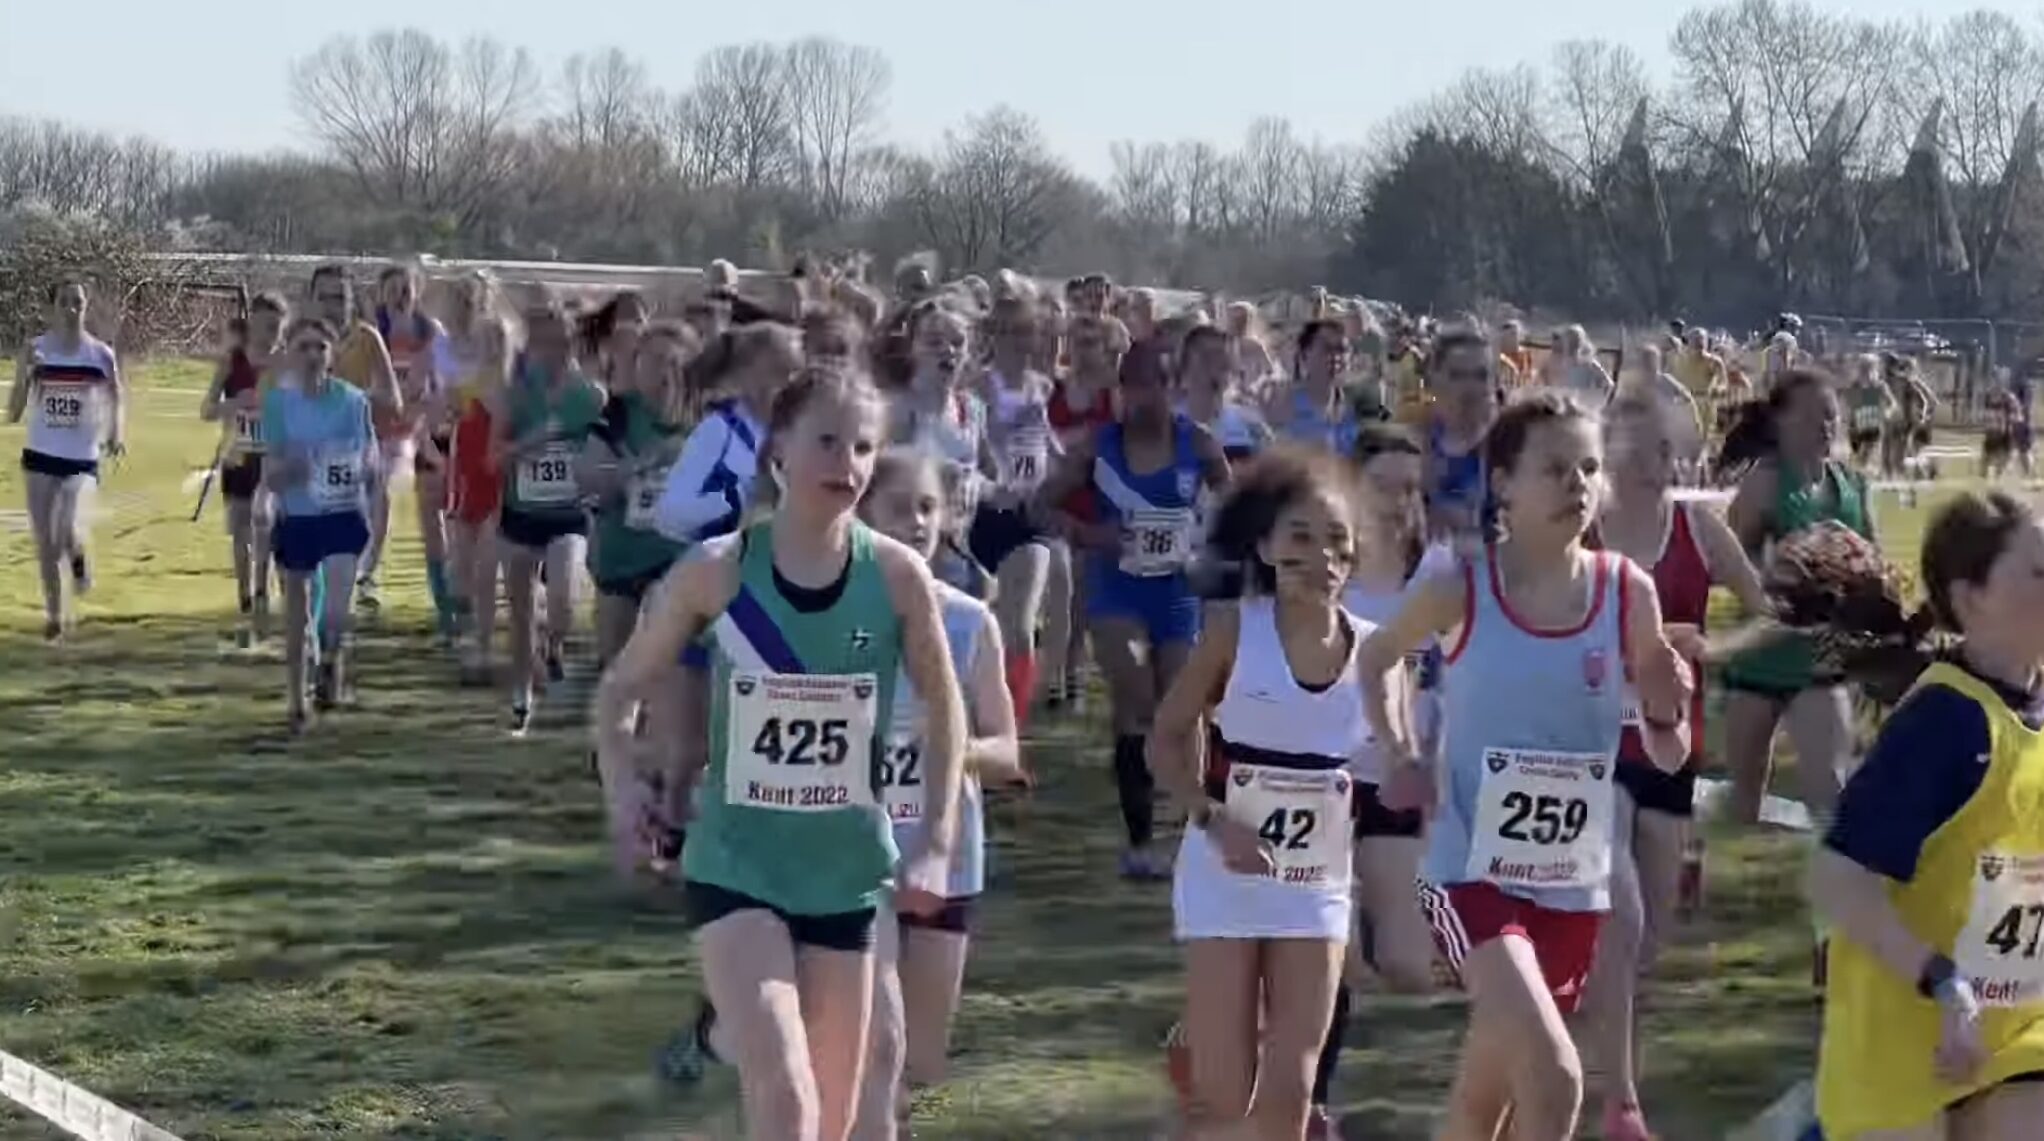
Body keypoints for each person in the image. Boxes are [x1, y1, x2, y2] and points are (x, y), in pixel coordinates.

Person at [594, 367, 966, 1141]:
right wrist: (622, 788)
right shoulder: (718, 570)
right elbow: (620, 689)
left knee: (839, 1113)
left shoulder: (898, 577)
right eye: (827, 440)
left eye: (863, 445)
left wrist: (934, 842)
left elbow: (946, 708)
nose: (848, 462)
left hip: (847, 873)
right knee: (786, 1093)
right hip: (738, 866)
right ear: (778, 455)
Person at [1357, 392, 1693, 1140]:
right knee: (1555, 1076)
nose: (1578, 484)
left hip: (1573, 883)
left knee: (1488, 1106)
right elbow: (1378, 657)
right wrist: (1401, 749)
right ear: (1503, 482)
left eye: (1589, 468)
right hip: (1469, 872)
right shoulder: (1461, 585)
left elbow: (1667, 747)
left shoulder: (1625, 591)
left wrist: (1670, 701)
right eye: (1555, 469)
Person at [1150, 447, 1382, 1140]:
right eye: (1301, 537)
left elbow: (1390, 763)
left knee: (1290, 1092)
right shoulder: (1233, 631)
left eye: (1338, 540)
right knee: (1226, 1096)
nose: (1322, 556)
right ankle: (1203, 1056)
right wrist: (1211, 816)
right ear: (1265, 545)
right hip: (1223, 869)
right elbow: (1161, 739)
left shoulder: (1374, 651)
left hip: (1316, 882)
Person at [1811, 491, 2044, 1140]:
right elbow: (1835, 876)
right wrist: (1941, 980)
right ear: (1972, 599)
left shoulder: (2032, 708)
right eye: (2039, 571)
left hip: (2009, 1036)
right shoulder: (1944, 720)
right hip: (1902, 1060)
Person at [1583, 393, 1770, 1141]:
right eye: (1637, 449)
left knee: (1649, 938)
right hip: (1594, 752)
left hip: (1670, 749)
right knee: (1621, 915)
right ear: (1612, 454)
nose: (1654, 464)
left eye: (1665, 450)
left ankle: (1608, 1065)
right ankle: (1620, 1102)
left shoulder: (1697, 527)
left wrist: (1711, 650)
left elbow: (1767, 609)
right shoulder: (1583, 528)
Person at [852, 449, 1026, 1137]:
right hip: (854, 856)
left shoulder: (969, 621)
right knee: (878, 1045)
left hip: (945, 854)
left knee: (920, 1061)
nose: (918, 521)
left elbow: (1008, 749)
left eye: (928, 507)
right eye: (900, 507)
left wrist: (950, 751)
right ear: (863, 513)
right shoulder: (836, 614)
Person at [1037, 342, 1230, 880]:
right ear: (1120, 390)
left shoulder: (1199, 444)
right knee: (1137, 699)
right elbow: (1041, 504)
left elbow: (1239, 509)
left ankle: (1193, 830)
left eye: (1155, 385)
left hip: (1177, 593)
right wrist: (1089, 533)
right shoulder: (1099, 448)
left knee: (1182, 708)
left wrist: (1214, 540)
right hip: (1117, 591)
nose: (1144, 397)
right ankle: (1141, 839)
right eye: (1133, 386)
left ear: (1174, 387)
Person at [1719, 369, 1870, 828]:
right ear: (1781, 422)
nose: (1825, 427)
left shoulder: (1851, 486)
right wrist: (1778, 573)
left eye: (1831, 417)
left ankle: (1842, 889)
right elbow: (1728, 558)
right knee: (1742, 802)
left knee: (1828, 789)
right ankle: (1721, 889)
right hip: (1758, 657)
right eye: (1811, 418)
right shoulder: (1764, 483)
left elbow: (1874, 563)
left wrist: (1852, 569)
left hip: (1821, 662)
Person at [490, 297, 604, 736]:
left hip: (569, 515)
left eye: (564, 343)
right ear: (531, 348)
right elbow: (493, 459)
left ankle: (554, 644)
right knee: (520, 615)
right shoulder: (516, 395)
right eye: (545, 344)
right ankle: (521, 701)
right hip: (520, 513)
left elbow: (605, 451)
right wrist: (530, 442)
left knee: (562, 602)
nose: (555, 352)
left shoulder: (590, 396)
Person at [261, 317, 379, 732]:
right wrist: (293, 468)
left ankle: (329, 657)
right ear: (290, 354)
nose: (312, 355)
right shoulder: (277, 403)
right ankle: (296, 702)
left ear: (333, 355)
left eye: (320, 347)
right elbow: (271, 472)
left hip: (343, 515)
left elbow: (371, 463)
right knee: (296, 616)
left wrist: (359, 467)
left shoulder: (353, 402)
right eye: (304, 347)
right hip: (297, 518)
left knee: (334, 612)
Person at [8, 279, 125, 642]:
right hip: (41, 455)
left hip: (80, 459)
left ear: (85, 308)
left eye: (78, 303)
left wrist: (116, 435)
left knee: (63, 530)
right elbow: (14, 411)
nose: (72, 309)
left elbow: (116, 398)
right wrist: (26, 375)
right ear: (52, 308)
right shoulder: (36, 350)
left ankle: (77, 557)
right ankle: (55, 616)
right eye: (64, 303)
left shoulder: (100, 355)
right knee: (45, 541)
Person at [579, 322, 696, 667]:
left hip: (683, 561)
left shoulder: (709, 417)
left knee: (676, 672)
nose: (659, 370)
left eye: (670, 361)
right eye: (649, 359)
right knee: (615, 670)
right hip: (622, 557)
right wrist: (630, 471)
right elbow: (586, 478)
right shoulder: (616, 413)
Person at [969, 296, 1062, 721]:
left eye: (1024, 330)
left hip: (1029, 516)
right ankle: (972, 713)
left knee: (1020, 623)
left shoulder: (1043, 385)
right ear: (992, 336)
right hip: (982, 514)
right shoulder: (977, 384)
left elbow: (1047, 444)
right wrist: (1008, 426)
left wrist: (1068, 465)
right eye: (1006, 331)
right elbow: (975, 443)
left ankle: (1011, 725)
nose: (1016, 340)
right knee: (979, 621)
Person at [201, 292, 287, 649]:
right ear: (251, 323)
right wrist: (234, 404)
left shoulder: (286, 363)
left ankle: (263, 590)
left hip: (273, 458)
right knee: (240, 531)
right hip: (238, 456)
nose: (271, 335)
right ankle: (245, 595)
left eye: (278, 328)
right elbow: (206, 409)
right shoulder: (232, 361)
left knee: (265, 523)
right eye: (266, 326)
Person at [441, 272, 515, 682]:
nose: (491, 347)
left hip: (496, 478)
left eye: (498, 341)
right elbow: (450, 414)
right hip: (465, 475)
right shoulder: (469, 379)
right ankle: (469, 634)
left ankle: (484, 646)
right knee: (462, 567)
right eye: (487, 341)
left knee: (489, 566)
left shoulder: (509, 385)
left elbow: (504, 417)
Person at [360, 264, 443, 615]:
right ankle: (364, 571)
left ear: (417, 292)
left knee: (388, 497)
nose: (400, 295)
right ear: (381, 294)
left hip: (414, 432)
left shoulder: (430, 332)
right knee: (370, 500)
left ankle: (371, 574)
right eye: (392, 289)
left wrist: (423, 405)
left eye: (406, 288)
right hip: (371, 430)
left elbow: (445, 386)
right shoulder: (371, 332)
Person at [1422, 330, 1498, 546]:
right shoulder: (1412, 443)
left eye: (1480, 376)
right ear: (1434, 376)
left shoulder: (1510, 448)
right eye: (1457, 375)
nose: (1470, 387)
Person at [1179, 324, 1271, 463]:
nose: (1217, 364)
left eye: (1223, 356)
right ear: (1184, 369)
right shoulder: (1167, 428)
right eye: (1207, 356)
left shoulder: (1252, 426)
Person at [1274, 320, 1364, 453]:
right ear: (1304, 355)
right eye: (1326, 349)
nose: (1336, 358)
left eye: (1342, 350)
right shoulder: (1281, 404)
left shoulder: (1355, 408)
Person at [1843, 353, 1898, 471]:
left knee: (1865, 456)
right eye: (1863, 367)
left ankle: (1862, 477)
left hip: (1873, 425)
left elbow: (1892, 403)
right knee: (1855, 456)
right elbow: (1848, 404)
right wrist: (1847, 418)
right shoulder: (1854, 385)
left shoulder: (1880, 386)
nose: (1865, 371)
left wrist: (1887, 412)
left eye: (1869, 367)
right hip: (1856, 426)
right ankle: (1856, 476)